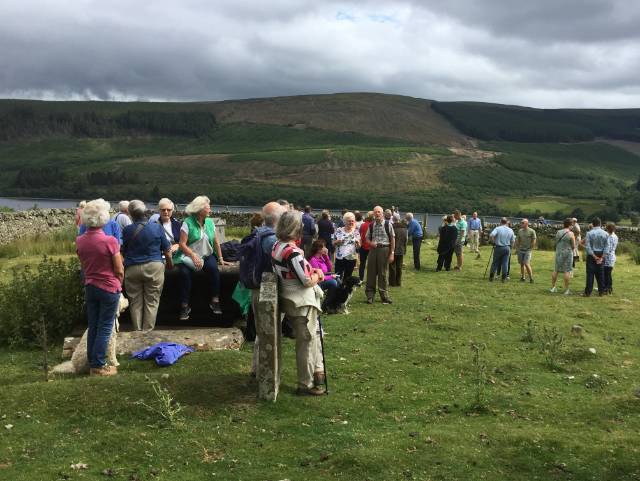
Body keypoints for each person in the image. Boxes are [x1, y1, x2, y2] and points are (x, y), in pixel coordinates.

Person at [271, 210, 326, 395]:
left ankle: (317, 372)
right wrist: (318, 274)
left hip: (288, 297)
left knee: (309, 339)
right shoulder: (292, 252)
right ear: (296, 229)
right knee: (306, 342)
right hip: (300, 301)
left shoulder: (277, 246)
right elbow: (306, 280)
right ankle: (306, 383)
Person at [76, 199, 124, 376]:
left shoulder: (80, 241)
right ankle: (98, 366)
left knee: (93, 325)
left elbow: (84, 264)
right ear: (103, 217)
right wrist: (119, 284)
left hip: (90, 286)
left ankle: (92, 362)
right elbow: (119, 269)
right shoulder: (110, 241)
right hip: (108, 287)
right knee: (105, 327)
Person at [173, 195, 228, 320]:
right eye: (208, 208)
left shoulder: (209, 222)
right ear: (200, 209)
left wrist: (220, 258)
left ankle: (215, 300)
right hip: (187, 255)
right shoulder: (187, 223)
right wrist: (193, 255)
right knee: (184, 274)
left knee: (214, 270)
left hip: (206, 255)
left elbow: (215, 242)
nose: (210, 210)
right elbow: (181, 244)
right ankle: (184, 305)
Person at [122, 200, 173, 331]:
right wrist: (170, 265)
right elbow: (167, 250)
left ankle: (137, 332)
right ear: (145, 211)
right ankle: (147, 333)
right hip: (154, 267)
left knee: (135, 302)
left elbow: (123, 250)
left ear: (131, 214)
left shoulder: (127, 230)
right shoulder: (157, 227)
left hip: (132, 268)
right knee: (152, 301)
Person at [250, 201, 287, 377]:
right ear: (278, 219)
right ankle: (265, 371)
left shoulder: (258, 233)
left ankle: (257, 368)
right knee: (268, 329)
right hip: (268, 287)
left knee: (262, 329)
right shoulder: (272, 239)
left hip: (258, 286)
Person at [365, 206, 395, 304]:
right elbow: (367, 238)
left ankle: (384, 296)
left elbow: (392, 239)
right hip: (373, 250)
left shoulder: (388, 224)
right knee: (371, 273)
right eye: (375, 212)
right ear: (373, 214)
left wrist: (392, 254)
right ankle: (370, 296)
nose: (377, 214)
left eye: (379, 212)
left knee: (383, 273)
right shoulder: (371, 225)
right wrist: (370, 243)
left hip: (384, 249)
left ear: (382, 213)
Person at [308, 239, 338, 310]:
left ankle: (333, 304)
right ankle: (325, 305)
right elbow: (319, 276)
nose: (325, 248)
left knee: (338, 281)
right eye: (323, 247)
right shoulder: (313, 260)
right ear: (318, 249)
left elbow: (329, 269)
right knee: (333, 283)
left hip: (324, 278)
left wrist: (327, 256)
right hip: (317, 282)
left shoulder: (322, 257)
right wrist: (331, 277)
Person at [583, 217, 609, 297]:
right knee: (600, 273)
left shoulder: (589, 233)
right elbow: (607, 247)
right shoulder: (605, 233)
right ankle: (601, 292)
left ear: (593, 224)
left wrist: (594, 256)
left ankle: (588, 292)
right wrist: (601, 258)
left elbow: (588, 247)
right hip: (601, 254)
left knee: (590, 274)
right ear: (600, 224)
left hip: (592, 255)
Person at [550, 218, 576, 295]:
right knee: (567, 271)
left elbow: (556, 241)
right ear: (570, 225)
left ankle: (553, 287)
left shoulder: (558, 232)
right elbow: (573, 246)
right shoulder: (571, 234)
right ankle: (566, 290)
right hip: (568, 253)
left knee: (556, 270)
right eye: (572, 225)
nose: (572, 226)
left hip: (559, 252)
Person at [333, 212, 361, 279]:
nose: (351, 222)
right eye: (349, 221)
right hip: (340, 257)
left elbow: (359, 247)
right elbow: (333, 243)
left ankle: (345, 288)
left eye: (352, 221)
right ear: (345, 221)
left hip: (351, 257)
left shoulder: (356, 232)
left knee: (348, 277)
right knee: (338, 276)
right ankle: (338, 288)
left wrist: (358, 244)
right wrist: (338, 241)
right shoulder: (339, 230)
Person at [489, 217, 515, 282]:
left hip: (498, 247)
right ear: (506, 222)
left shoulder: (497, 228)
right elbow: (513, 240)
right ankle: (503, 278)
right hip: (507, 247)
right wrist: (511, 247)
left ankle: (491, 277)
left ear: (500, 222)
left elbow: (491, 235)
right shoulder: (510, 230)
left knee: (495, 262)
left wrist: (493, 242)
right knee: (505, 263)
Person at [515, 218, 537, 283]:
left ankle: (531, 278)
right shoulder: (520, 231)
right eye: (521, 222)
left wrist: (531, 248)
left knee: (526, 263)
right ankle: (523, 277)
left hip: (528, 250)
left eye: (522, 223)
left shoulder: (532, 231)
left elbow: (534, 240)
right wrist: (517, 247)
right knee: (522, 264)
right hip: (520, 250)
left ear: (527, 223)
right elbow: (518, 240)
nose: (521, 224)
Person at [389, 213, 407, 286]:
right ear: (399, 219)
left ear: (393, 219)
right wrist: (405, 249)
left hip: (393, 249)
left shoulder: (391, 227)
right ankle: (398, 282)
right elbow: (406, 239)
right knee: (399, 266)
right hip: (401, 249)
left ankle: (392, 282)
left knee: (392, 266)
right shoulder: (405, 228)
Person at [603, 222, 618, 295]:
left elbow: (607, 248)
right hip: (612, 256)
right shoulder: (615, 236)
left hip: (607, 257)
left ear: (608, 228)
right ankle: (609, 288)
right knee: (608, 273)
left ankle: (607, 288)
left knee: (606, 274)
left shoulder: (608, 236)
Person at [358, 211, 373, 281]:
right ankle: (370, 279)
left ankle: (361, 279)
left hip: (363, 246)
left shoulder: (363, 225)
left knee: (362, 264)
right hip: (371, 247)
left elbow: (360, 234)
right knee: (371, 265)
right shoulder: (374, 225)